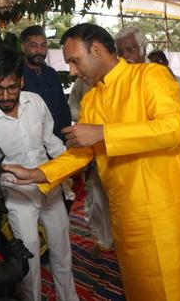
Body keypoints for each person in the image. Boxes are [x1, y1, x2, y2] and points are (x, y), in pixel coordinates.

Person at [2, 23, 180, 301]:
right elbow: (82, 153)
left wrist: (103, 133)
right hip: (125, 213)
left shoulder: (150, 76)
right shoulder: (91, 99)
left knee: (174, 288)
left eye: (74, 61)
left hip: (164, 212)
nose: (73, 71)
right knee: (141, 287)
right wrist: (37, 174)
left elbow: (171, 130)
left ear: (98, 50)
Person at [0, 46, 79, 301]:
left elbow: (51, 142)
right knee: (28, 261)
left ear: (21, 81)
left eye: (12, 87)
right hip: (17, 196)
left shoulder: (36, 102)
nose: (5, 96)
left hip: (49, 188)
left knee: (62, 252)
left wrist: (69, 164)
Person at [68, 78, 113, 259]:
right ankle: (101, 242)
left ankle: (125, 242)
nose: (73, 70)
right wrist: (88, 122)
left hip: (124, 153)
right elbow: (71, 107)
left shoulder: (130, 79)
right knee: (97, 200)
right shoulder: (82, 82)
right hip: (94, 150)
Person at [20, 25, 72, 143]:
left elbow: (63, 106)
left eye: (43, 45)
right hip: (35, 144)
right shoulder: (17, 76)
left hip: (60, 140)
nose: (39, 50)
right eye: (33, 46)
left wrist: (67, 134)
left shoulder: (51, 73)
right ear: (23, 47)